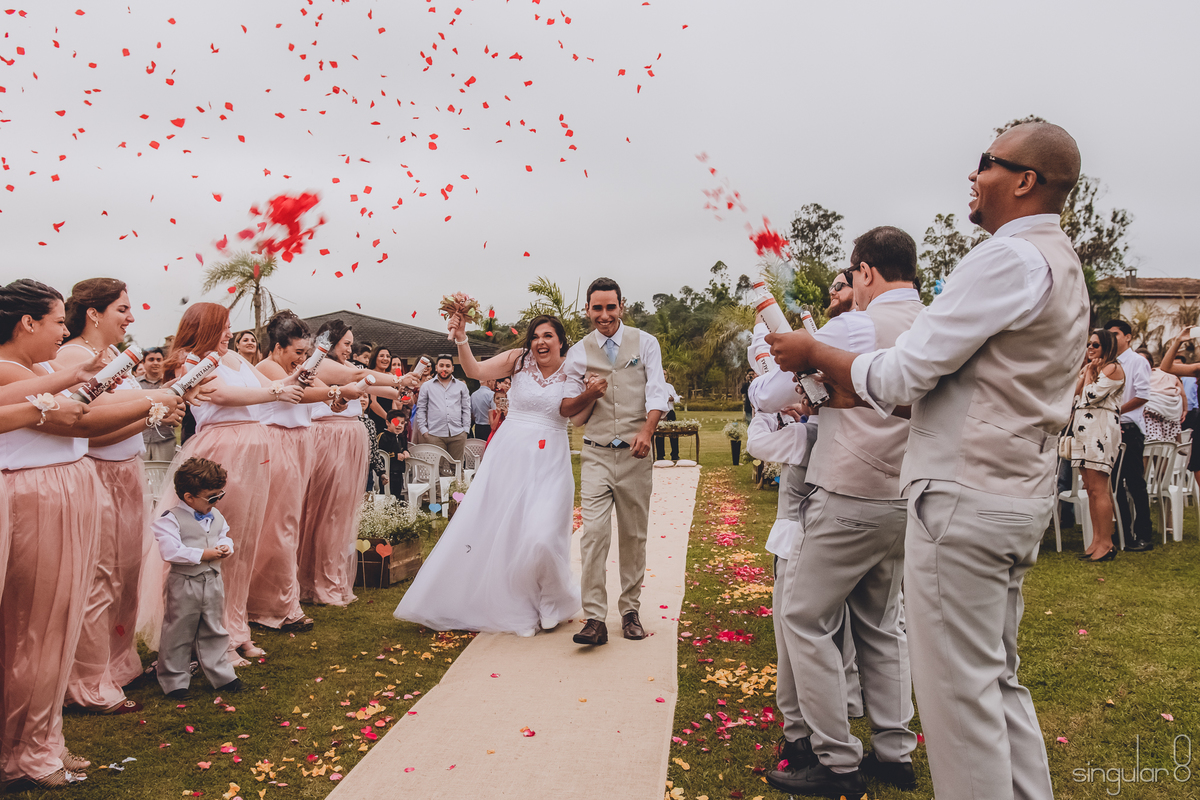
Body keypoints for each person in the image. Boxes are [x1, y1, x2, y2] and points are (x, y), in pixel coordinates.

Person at [766, 121, 1088, 800]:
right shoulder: (1060, 262)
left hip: (965, 497)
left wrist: (816, 354)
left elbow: (903, 376)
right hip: (1015, 492)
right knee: (997, 681)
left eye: (986, 164)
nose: (973, 178)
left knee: (958, 701)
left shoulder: (1005, 257)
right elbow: (966, 384)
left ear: (1024, 180)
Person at [754, 227, 923, 797]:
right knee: (882, 626)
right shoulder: (934, 322)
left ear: (866, 272)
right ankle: (895, 753)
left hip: (849, 492)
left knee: (802, 617)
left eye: (852, 275)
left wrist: (781, 374)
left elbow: (775, 396)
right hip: (906, 498)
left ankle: (835, 761)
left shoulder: (856, 322)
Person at [0, 279, 182, 789]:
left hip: (61, 491)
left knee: (52, 624)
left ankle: (42, 741)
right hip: (36, 499)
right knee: (34, 628)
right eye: (58, 321)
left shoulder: (38, 370)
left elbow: (81, 418)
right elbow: (75, 419)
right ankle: (24, 751)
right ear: (26, 323)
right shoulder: (11, 369)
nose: (65, 330)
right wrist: (152, 401)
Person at [395, 314, 592, 636]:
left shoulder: (574, 369)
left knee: (543, 537)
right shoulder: (518, 360)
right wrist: (461, 337)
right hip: (509, 455)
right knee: (504, 531)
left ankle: (553, 601)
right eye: (535, 336)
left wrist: (593, 393)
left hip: (550, 458)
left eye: (547, 336)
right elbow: (474, 371)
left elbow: (579, 417)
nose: (540, 342)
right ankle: (517, 601)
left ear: (560, 340)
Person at [56, 279, 181, 716]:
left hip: (127, 471)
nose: (130, 318)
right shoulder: (72, 357)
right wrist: (154, 406)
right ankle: (88, 681)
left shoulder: (113, 359)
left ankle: (117, 663)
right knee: (100, 577)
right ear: (94, 313)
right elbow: (88, 425)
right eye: (122, 310)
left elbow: (125, 422)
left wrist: (153, 414)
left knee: (126, 573)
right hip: (98, 475)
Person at [561, 277, 670, 646]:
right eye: (597, 308)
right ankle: (594, 617)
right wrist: (589, 392)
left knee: (633, 535)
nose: (604, 315)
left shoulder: (646, 343)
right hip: (595, 453)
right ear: (588, 310)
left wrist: (647, 430)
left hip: (635, 456)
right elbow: (571, 411)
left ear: (621, 306)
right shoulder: (577, 352)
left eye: (610, 307)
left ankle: (630, 610)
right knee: (593, 533)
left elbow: (658, 390)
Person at [299, 320, 414, 606]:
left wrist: (403, 388)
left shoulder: (346, 368)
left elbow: (382, 390)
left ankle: (334, 579)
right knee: (327, 512)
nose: (350, 349)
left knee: (344, 513)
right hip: (329, 437)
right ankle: (318, 582)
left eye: (351, 343)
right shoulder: (322, 364)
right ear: (332, 341)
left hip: (349, 437)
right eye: (347, 343)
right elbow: (359, 373)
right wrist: (399, 379)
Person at [247, 311, 338, 633]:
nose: (302, 359)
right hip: (277, 445)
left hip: (299, 444)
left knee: (288, 523)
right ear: (277, 348)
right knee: (279, 526)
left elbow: (322, 387)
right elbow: (307, 391)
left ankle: (278, 597)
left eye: (306, 352)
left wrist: (336, 394)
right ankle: (278, 606)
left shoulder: (297, 367)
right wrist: (335, 393)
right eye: (297, 352)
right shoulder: (267, 367)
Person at [152, 456, 243, 700]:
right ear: (189, 497)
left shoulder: (216, 516)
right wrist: (205, 554)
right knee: (179, 629)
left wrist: (225, 547)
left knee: (214, 626)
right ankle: (174, 680)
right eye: (212, 497)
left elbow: (224, 535)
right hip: (185, 583)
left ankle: (221, 673)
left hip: (213, 581)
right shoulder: (169, 520)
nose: (217, 502)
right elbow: (170, 551)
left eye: (219, 496)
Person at [1069, 330, 1125, 561]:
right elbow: (1074, 394)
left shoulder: (1112, 368)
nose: (1090, 348)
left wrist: (1090, 372)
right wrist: (1088, 372)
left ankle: (1107, 543)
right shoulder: (1091, 368)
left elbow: (1090, 396)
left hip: (1100, 431)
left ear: (1107, 347)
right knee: (1090, 489)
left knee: (1100, 488)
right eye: (1088, 344)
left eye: (1096, 344)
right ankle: (1096, 541)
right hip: (1083, 431)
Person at [1103, 319, 1156, 551]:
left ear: (1128, 337)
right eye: (1109, 335)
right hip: (1110, 428)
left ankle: (1144, 535)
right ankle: (1123, 533)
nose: (1112, 339)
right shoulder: (1108, 363)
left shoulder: (1137, 362)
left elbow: (1143, 395)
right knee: (1113, 484)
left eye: (1115, 334)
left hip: (1130, 428)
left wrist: (1115, 410)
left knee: (1135, 483)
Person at [415, 354, 471, 465]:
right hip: (434, 434)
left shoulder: (461, 386)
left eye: (447, 366)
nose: (444, 369)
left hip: (457, 434)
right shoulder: (426, 386)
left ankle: (457, 483)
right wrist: (424, 430)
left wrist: (465, 429)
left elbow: (466, 408)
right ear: (436, 368)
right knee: (436, 469)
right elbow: (420, 409)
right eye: (441, 365)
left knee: (457, 468)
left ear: (452, 368)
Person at [139, 346, 179, 461]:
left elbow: (177, 414)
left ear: (163, 362)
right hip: (142, 439)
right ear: (143, 362)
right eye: (151, 359)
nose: (155, 363)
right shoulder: (135, 385)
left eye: (158, 359)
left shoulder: (171, 384)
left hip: (165, 440)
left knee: (164, 476)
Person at [1144, 355, 1184, 443]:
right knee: (1162, 446)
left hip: (1154, 414)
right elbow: (1182, 394)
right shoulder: (1170, 376)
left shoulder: (1169, 376)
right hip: (1168, 414)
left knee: (1154, 446)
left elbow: (1182, 394)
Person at [377, 409, 410, 493]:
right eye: (396, 422)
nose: (399, 425)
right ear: (388, 423)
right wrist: (395, 456)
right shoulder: (383, 437)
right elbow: (380, 454)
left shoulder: (401, 437)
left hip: (399, 472)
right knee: (386, 495)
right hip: (387, 474)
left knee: (397, 494)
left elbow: (404, 448)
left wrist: (406, 452)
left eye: (402, 423)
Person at [364, 345, 394, 433]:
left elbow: (395, 401)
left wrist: (395, 419)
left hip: (390, 420)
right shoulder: (371, 375)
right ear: (375, 358)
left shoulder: (391, 376)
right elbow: (373, 402)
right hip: (376, 418)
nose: (385, 359)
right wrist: (388, 419)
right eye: (381, 356)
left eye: (388, 356)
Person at [656, 382, 681, 461]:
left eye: (665, 374)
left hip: (670, 411)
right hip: (660, 412)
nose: (664, 376)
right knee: (659, 433)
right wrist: (667, 398)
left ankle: (675, 455)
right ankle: (660, 456)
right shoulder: (656, 385)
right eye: (662, 374)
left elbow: (676, 397)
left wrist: (674, 399)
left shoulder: (669, 386)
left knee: (674, 433)